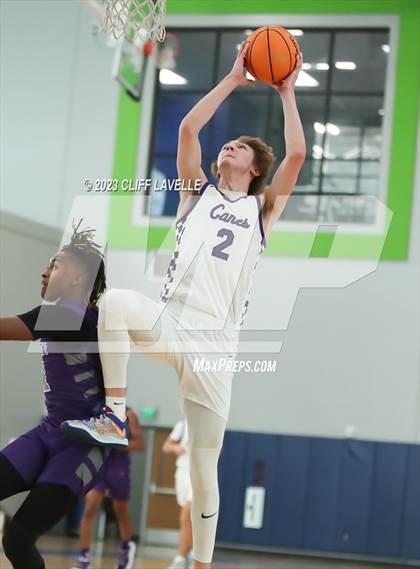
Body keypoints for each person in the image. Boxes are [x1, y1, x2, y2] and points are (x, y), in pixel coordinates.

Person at [63, 43, 306, 568]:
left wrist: (287, 92)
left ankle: (200, 564)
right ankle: (112, 414)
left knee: (204, 464)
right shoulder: (196, 191)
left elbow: (298, 157)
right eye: (229, 146)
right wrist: (232, 78)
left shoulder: (262, 211)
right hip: (172, 320)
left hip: (218, 345)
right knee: (117, 303)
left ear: (255, 167)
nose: (229, 149)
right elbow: (188, 132)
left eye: (239, 148)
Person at [0, 221, 108, 569]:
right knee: (14, 538)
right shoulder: (63, 316)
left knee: (18, 538)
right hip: (50, 433)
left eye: (55, 265)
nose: (44, 272)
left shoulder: (74, 315)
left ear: (78, 280)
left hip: (82, 444)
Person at [72, 407, 144, 569]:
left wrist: (117, 442)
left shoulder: (129, 414)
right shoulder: (94, 410)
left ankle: (125, 547)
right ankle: (84, 558)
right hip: (99, 464)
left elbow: (140, 444)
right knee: (90, 509)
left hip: (119, 467)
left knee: (121, 512)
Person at [162, 420, 194, 569]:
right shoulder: (182, 425)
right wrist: (175, 447)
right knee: (189, 518)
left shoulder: (209, 423)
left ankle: (180, 557)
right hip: (182, 472)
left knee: (186, 514)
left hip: (198, 474)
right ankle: (192, 552)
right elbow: (166, 446)